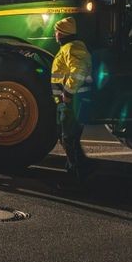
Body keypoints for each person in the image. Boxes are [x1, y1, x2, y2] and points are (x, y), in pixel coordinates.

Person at [50, 17, 93, 182]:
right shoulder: (69, 48)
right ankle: (77, 170)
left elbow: (78, 71)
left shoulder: (72, 48)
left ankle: (77, 176)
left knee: (69, 138)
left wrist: (67, 94)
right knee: (68, 137)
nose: (55, 34)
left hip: (73, 102)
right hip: (69, 102)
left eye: (56, 31)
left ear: (60, 33)